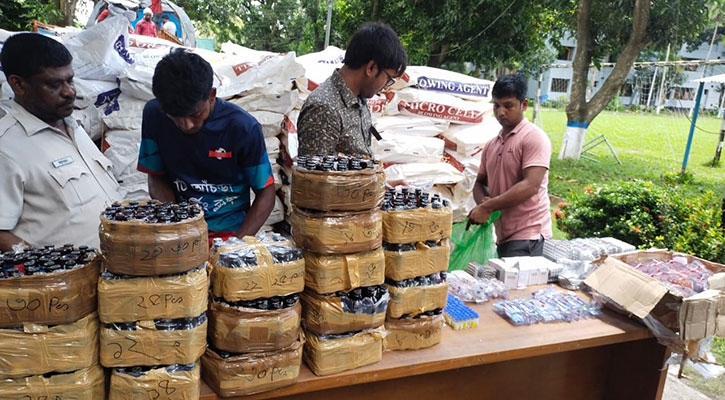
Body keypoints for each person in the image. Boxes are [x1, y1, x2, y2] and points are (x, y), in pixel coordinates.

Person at [137, 49, 275, 241]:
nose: (187, 125)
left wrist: (235, 245)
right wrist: (176, 225)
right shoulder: (154, 114)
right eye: (175, 117)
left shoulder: (242, 127)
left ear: (211, 95)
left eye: (195, 115)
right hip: (180, 231)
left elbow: (266, 194)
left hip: (229, 233)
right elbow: (156, 176)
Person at [0, 33, 121, 251]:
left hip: (114, 270)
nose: (69, 92)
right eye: (54, 84)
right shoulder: (7, 147)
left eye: (70, 80)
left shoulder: (73, 125)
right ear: (18, 84)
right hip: (68, 281)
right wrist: (47, 271)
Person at [468, 74, 552, 257]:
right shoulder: (492, 144)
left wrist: (489, 207)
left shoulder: (533, 138)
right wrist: (483, 202)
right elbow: (480, 183)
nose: (501, 112)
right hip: (503, 235)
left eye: (508, 106)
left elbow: (531, 185)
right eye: (496, 105)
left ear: (524, 105)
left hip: (528, 236)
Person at [297, 22, 407, 157]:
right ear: (371, 68)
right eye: (388, 79)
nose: (386, 86)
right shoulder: (324, 109)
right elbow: (316, 176)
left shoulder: (359, 98)